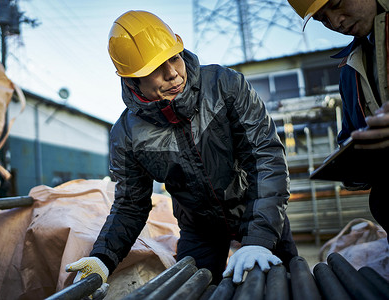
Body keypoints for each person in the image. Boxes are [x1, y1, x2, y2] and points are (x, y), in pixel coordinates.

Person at [65, 10, 298, 286]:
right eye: (155, 69)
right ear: (131, 80)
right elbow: (130, 205)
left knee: (287, 285)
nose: (173, 73)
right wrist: (102, 258)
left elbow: (265, 158)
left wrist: (259, 238)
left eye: (174, 57)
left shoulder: (225, 86)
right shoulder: (127, 134)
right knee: (191, 290)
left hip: (258, 209)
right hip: (199, 229)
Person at [288, 0, 389, 235]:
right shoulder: (349, 68)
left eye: (336, 3)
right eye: (322, 19)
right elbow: (350, 133)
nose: (335, 22)